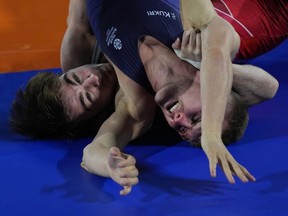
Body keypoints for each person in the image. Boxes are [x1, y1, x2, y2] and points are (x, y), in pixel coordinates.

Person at [10, 0, 284, 194]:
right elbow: (260, 82)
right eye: (192, 121)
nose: (177, 119)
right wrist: (201, 71)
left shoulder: (81, 61)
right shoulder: (199, 34)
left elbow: (93, 151)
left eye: (185, 125)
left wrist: (108, 164)